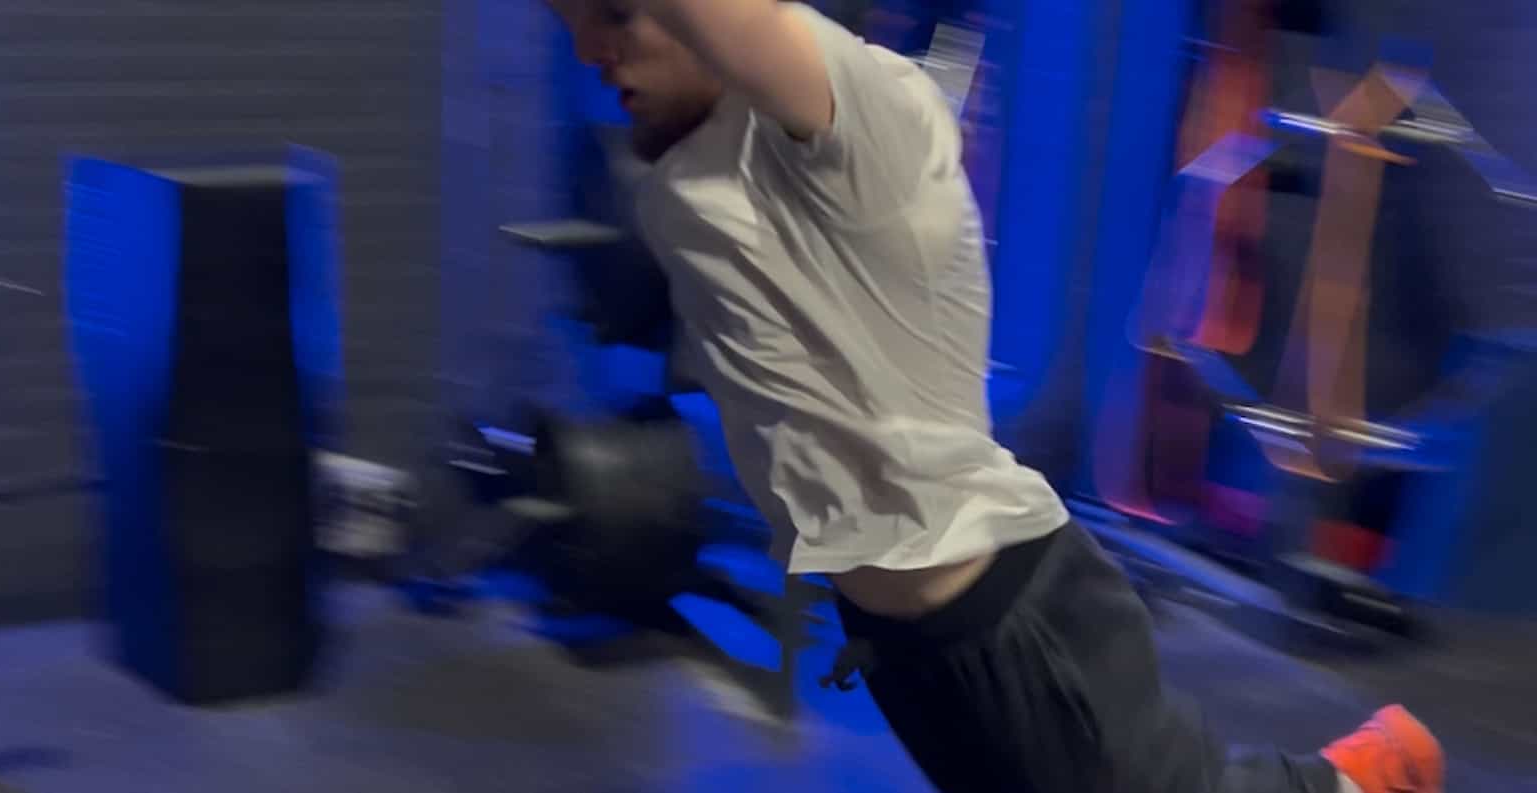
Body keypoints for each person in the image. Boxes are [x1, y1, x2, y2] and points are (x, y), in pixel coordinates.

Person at [539, 2, 1444, 792]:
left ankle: (1362, 777)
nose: (590, 47)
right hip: (904, 638)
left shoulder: (864, 110)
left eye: (619, 12)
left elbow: (748, 29)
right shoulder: (687, 167)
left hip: (1009, 609)